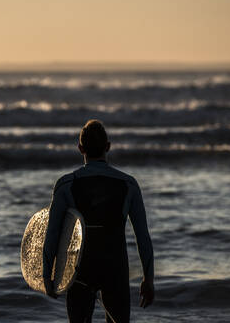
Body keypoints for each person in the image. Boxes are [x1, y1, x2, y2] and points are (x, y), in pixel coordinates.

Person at [42, 119, 154, 322]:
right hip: (115, 268)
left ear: (80, 148)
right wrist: (149, 278)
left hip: (80, 269)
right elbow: (142, 236)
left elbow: (52, 233)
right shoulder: (128, 184)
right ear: (108, 147)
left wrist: (46, 276)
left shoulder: (66, 185)